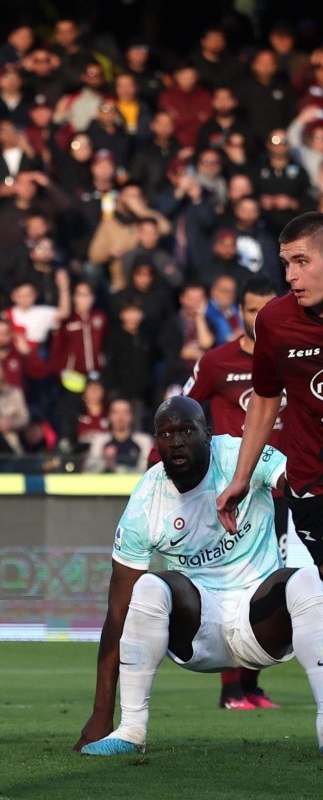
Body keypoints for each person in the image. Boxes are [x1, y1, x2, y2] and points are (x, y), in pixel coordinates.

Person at [77, 396, 323, 756]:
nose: (176, 441)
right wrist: (100, 711)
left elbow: (298, 482)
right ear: (156, 441)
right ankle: (129, 730)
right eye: (165, 433)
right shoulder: (147, 500)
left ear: (208, 433)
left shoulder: (240, 456)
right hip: (198, 634)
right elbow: (117, 613)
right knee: (146, 586)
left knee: (306, 581)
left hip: (261, 623)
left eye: (186, 431)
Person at [184, 275, 283, 710]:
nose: (257, 317)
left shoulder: (287, 358)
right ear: (238, 311)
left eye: (265, 309)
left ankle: (254, 686)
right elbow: (184, 408)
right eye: (250, 309)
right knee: (228, 586)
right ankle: (230, 690)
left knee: (268, 587)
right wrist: (163, 465)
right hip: (232, 491)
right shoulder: (217, 361)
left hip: (281, 490)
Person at [218, 212, 323, 572]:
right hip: (312, 482)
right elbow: (264, 399)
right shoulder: (274, 322)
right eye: (286, 263)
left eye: (302, 261)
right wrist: (241, 477)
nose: (290, 275)